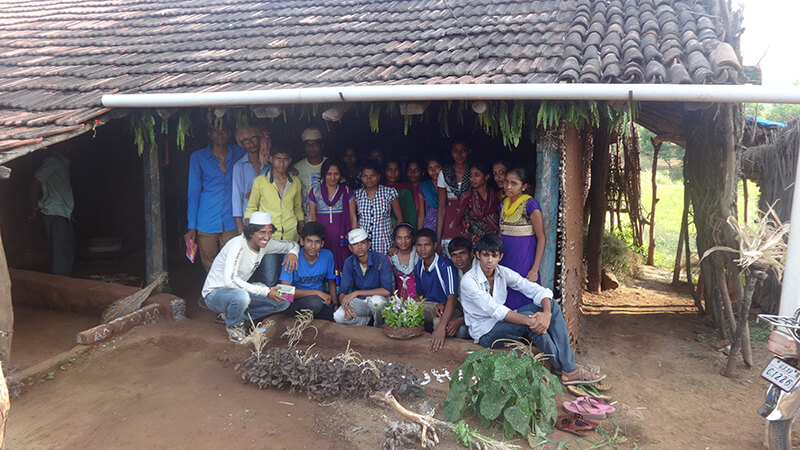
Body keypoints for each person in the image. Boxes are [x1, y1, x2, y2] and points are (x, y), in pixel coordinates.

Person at [460, 234, 605, 385]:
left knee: (551, 305)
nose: (490, 260)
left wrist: (546, 314)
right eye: (485, 255)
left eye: (494, 255)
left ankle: (568, 366)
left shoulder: (502, 272)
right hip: (485, 333)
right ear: (478, 255)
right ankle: (567, 368)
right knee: (531, 320)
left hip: (502, 322)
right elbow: (496, 310)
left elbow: (534, 289)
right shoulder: (469, 281)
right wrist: (532, 321)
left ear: (500, 257)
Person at [201, 212, 299, 342]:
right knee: (241, 297)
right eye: (262, 232)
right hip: (215, 294)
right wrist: (265, 291)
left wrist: (293, 253)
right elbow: (230, 281)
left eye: (270, 232)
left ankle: (233, 316)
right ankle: (234, 326)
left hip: (239, 290)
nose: (267, 237)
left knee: (284, 300)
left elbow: (292, 244)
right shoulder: (237, 245)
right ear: (251, 233)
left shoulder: (265, 244)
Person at [185, 124, 246, 271]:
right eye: (215, 131)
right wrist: (191, 226)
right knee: (210, 261)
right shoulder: (198, 157)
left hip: (231, 219)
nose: (220, 134)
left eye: (224, 130)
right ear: (209, 133)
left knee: (232, 260)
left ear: (230, 133)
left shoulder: (239, 152)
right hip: (206, 219)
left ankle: (229, 286)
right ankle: (215, 286)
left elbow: (259, 151)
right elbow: (193, 192)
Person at [245, 145, 304, 286]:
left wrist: (302, 231)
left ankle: (285, 301)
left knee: (288, 278)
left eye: (285, 159)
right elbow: (251, 208)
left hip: (290, 237)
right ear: (271, 159)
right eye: (278, 159)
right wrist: (249, 233)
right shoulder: (260, 182)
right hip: (269, 239)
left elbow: (297, 208)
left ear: (290, 160)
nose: (281, 163)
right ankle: (270, 300)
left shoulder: (295, 182)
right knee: (269, 278)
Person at [498, 168, 546, 310]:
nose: (508, 186)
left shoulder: (530, 205)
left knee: (524, 297)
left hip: (524, 261)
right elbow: (501, 233)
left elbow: (541, 238)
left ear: (523, 186)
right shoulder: (502, 204)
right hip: (505, 259)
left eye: (514, 183)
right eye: (506, 182)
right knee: (505, 297)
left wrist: (534, 269)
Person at [29, 144, 76, 276]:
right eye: (67, 144)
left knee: (67, 250)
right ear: (56, 146)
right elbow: (35, 182)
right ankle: (61, 282)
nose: (70, 147)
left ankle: (64, 280)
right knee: (61, 252)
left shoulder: (62, 162)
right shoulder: (53, 161)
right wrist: (34, 205)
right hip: (55, 211)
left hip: (64, 212)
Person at [413, 228, 460, 352]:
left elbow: (452, 298)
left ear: (434, 245)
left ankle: (438, 351)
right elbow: (421, 296)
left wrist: (441, 327)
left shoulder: (445, 266)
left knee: (439, 322)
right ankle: (414, 349)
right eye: (419, 245)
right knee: (408, 312)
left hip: (448, 308)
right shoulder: (418, 267)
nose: (422, 249)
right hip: (430, 305)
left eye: (427, 245)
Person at [333, 228, 393, 327]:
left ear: (368, 244)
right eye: (355, 244)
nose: (359, 247)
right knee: (338, 316)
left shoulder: (381, 259)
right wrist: (346, 307)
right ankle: (367, 321)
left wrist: (357, 292)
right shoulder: (349, 262)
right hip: (362, 301)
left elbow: (387, 291)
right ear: (350, 248)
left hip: (379, 300)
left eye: (362, 243)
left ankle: (379, 325)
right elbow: (343, 292)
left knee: (377, 302)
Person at [278, 222, 336, 321]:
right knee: (315, 303)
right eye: (309, 241)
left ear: (322, 244)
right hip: (296, 302)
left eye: (317, 242)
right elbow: (284, 293)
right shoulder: (291, 258)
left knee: (334, 316)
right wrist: (316, 292)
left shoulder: (327, 255)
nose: (313, 246)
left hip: (319, 300)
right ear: (302, 241)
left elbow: (331, 281)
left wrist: (335, 304)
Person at [307, 159, 357, 272]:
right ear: (324, 174)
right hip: (322, 239)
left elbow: (353, 217)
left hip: (342, 240)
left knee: (344, 267)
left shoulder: (346, 191)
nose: (333, 178)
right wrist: (310, 238)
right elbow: (312, 217)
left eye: (336, 174)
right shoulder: (315, 192)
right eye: (329, 174)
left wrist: (354, 239)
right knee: (323, 266)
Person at [353, 160, 402, 255]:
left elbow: (399, 219)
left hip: (384, 244)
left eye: (373, 176)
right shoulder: (357, 194)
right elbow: (353, 219)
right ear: (361, 177)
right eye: (365, 176)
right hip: (363, 245)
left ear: (378, 176)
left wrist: (395, 244)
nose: (369, 179)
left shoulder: (389, 193)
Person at [232, 126, 271, 234]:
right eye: (246, 141)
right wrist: (239, 226)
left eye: (254, 138)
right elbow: (236, 197)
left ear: (260, 139)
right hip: (249, 219)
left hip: (270, 217)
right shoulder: (239, 166)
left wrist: (255, 193)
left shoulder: (270, 164)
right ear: (242, 144)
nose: (251, 143)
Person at [436, 139, 471, 257]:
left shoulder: (473, 172)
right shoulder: (444, 173)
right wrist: (438, 239)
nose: (459, 154)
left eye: (463, 150)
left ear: (469, 151)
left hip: (471, 220)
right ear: (451, 152)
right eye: (456, 150)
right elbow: (442, 208)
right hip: (451, 219)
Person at [460, 161, 500, 245]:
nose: (472, 179)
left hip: (494, 243)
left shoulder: (497, 196)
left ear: (487, 176)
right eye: (471, 176)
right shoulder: (467, 197)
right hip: (474, 243)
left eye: (476, 175)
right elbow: (465, 224)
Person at [294, 128, 327, 220]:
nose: (311, 148)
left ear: (321, 146)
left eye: (315, 144)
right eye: (308, 145)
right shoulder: (297, 168)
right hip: (305, 217)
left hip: (327, 216)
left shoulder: (330, 164)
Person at [384, 159, 422, 229]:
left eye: (396, 170)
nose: (393, 173)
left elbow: (411, 215)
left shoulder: (405, 190)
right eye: (389, 169)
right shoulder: (380, 188)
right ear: (384, 171)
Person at [388, 223, 419, 300]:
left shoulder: (419, 255)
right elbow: (391, 282)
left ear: (413, 238)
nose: (403, 241)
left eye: (407, 238)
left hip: (419, 299)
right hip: (398, 300)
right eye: (399, 238)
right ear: (395, 239)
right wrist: (395, 301)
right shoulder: (391, 258)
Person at [405, 159, 429, 230]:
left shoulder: (426, 188)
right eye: (410, 170)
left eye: (416, 170)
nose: (413, 173)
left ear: (422, 172)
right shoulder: (403, 189)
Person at [418, 158, 441, 231]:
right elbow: (421, 214)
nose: (433, 171)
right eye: (430, 168)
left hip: (446, 226)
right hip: (428, 228)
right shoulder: (423, 187)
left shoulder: (449, 186)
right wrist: (419, 233)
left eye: (436, 167)